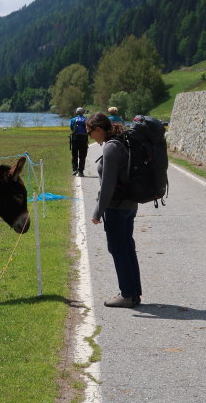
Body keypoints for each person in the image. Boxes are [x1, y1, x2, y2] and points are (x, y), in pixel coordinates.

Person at [86, 113, 141, 308]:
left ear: (99, 129)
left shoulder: (111, 147)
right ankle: (134, 292)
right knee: (127, 247)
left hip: (116, 207)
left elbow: (108, 185)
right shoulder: (121, 141)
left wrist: (97, 212)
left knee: (118, 249)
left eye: (90, 132)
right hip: (129, 205)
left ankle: (127, 294)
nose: (90, 137)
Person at [69, 107, 88, 177]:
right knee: (82, 156)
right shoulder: (86, 120)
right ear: (83, 112)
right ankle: (81, 171)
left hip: (75, 139)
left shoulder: (73, 119)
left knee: (74, 155)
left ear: (77, 112)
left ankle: (74, 170)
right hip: (84, 139)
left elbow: (71, 128)